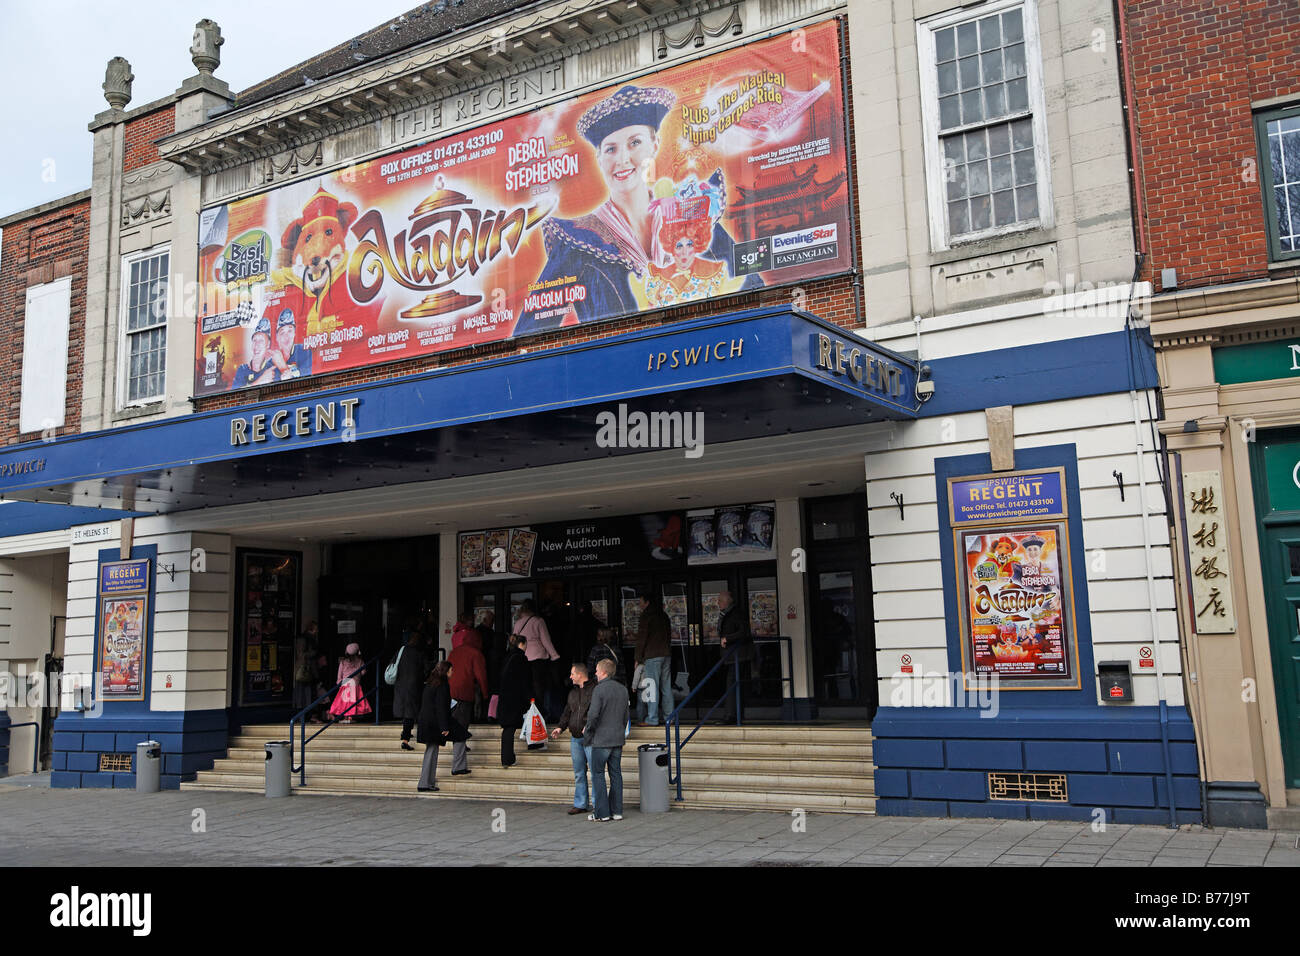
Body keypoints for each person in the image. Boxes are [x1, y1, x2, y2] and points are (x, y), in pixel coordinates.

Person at [514, 85, 756, 335]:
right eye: (611, 149)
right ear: (599, 158)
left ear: (654, 144)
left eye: (634, 143)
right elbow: (528, 333)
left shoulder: (694, 214)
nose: (622, 159)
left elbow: (753, 290)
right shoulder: (578, 240)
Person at [583, 657, 629, 822]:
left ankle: (602, 813)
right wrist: (620, 730)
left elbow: (593, 715)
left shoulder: (599, 690)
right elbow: (625, 716)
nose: (594, 673)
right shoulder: (623, 689)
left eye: (596, 670)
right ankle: (617, 811)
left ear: (603, 672)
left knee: (598, 775)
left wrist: (588, 735)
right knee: (616, 774)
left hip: (601, 739)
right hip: (617, 738)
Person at [416, 660, 471, 792]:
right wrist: (444, 727)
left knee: (434, 748)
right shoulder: (442, 685)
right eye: (451, 670)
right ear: (446, 671)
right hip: (436, 722)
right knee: (433, 750)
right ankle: (426, 783)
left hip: (428, 721)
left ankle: (426, 782)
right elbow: (441, 707)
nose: (452, 672)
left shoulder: (430, 683)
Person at [550, 662, 596, 815]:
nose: (570, 677)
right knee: (579, 772)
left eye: (572, 673)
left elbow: (596, 712)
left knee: (595, 772)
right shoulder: (572, 693)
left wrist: (589, 726)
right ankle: (581, 803)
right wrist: (560, 727)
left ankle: (597, 803)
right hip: (575, 738)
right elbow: (567, 712)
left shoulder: (595, 690)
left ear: (580, 674)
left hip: (590, 737)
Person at [513, 600, 560, 720]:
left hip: (523, 658)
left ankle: (527, 713)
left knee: (526, 687)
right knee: (540, 688)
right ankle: (540, 713)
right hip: (538, 659)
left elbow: (514, 641)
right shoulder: (538, 621)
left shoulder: (518, 623)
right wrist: (554, 656)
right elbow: (546, 640)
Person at [634, 595, 674, 726]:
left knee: (652, 687)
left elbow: (642, 639)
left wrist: (638, 658)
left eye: (640, 602)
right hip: (666, 654)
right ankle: (670, 717)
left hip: (652, 656)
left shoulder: (646, 616)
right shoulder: (663, 615)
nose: (639, 605)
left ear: (647, 602)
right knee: (666, 687)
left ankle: (652, 718)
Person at [448, 619, 488, 749]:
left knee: (455, 719)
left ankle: (459, 743)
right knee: (463, 720)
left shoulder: (453, 652)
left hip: (451, 690)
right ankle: (459, 747)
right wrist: (485, 693)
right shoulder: (476, 654)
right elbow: (481, 676)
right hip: (465, 691)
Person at [717, 591, 752, 725]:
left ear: (728, 601)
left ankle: (731, 715)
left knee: (732, 685)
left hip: (738, 655)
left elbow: (744, 632)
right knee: (732, 685)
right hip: (731, 656)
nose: (718, 603)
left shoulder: (736, 614)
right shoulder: (727, 614)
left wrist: (727, 638)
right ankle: (733, 714)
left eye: (720, 600)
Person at [497, 633, 531, 768]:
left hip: (505, 698)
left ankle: (506, 758)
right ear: (521, 644)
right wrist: (530, 697)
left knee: (508, 728)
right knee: (522, 722)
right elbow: (525, 681)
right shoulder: (521, 659)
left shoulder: (507, 657)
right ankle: (535, 744)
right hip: (516, 699)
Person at [392, 628, 428, 750]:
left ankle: (406, 733)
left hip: (400, 685)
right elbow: (425, 669)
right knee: (410, 713)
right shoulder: (419, 653)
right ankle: (405, 740)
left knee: (406, 711)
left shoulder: (400, 651)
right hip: (414, 686)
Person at [231, 317, 279, 388]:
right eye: (254, 340)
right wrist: (260, 381)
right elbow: (236, 394)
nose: (257, 345)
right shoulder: (242, 369)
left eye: (261, 341)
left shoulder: (272, 368)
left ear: (268, 344)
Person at [329, 642, 371, 723]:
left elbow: (339, 675)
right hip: (355, 684)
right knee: (353, 701)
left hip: (345, 684)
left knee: (345, 701)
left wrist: (339, 682)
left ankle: (346, 717)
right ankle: (350, 716)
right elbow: (363, 673)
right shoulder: (360, 661)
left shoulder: (343, 662)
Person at [292, 620, 319, 715]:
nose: (316, 631)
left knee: (305, 691)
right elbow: (301, 654)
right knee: (304, 691)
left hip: (305, 668)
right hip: (304, 668)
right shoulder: (305, 639)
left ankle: (304, 712)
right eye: (315, 629)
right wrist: (313, 653)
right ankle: (303, 712)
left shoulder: (307, 638)